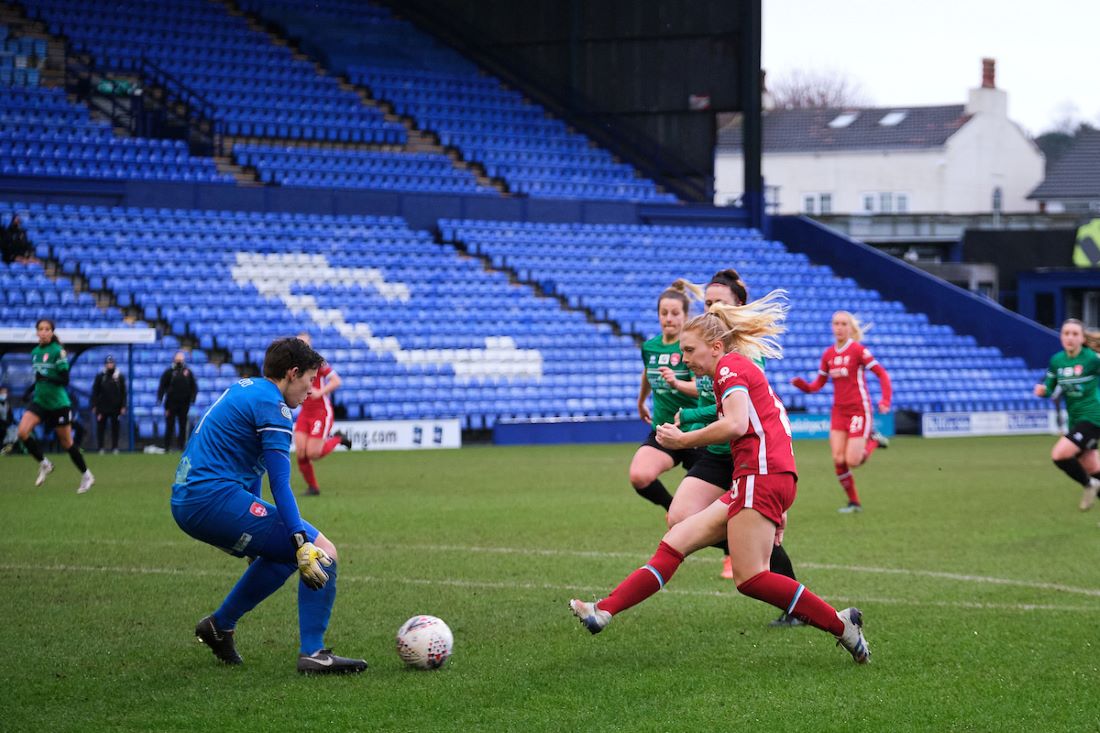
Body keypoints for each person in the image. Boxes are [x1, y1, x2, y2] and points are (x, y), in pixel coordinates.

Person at [569, 292, 869, 664]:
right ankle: (604, 611)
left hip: (761, 477)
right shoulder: (731, 371)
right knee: (675, 540)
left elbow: (737, 424)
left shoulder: (730, 368)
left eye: (690, 351)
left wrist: (683, 439)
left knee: (750, 578)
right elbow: (763, 423)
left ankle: (843, 627)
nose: (685, 359)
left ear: (714, 346)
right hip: (761, 478)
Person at [171, 336, 367, 674]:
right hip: (212, 498)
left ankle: (219, 626)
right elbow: (280, 483)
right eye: (308, 380)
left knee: (283, 558)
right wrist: (300, 540)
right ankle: (313, 654)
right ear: (292, 373)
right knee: (323, 552)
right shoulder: (274, 408)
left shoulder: (247, 389)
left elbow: (249, 470)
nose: (310, 391)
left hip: (191, 499)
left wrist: (280, 537)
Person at [662, 270, 801, 627]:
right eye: (707, 302)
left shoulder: (744, 356)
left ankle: (787, 592)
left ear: (737, 306)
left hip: (747, 456)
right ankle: (745, 543)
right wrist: (687, 400)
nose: (711, 307)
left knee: (748, 547)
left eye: (719, 302)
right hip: (719, 452)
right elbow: (714, 398)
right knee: (678, 517)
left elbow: (737, 413)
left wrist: (691, 420)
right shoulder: (707, 351)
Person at [790, 311, 892, 513]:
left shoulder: (858, 350)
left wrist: (885, 399)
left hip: (859, 410)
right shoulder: (828, 354)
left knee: (852, 461)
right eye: (836, 323)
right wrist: (802, 385)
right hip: (839, 411)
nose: (839, 327)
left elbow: (882, 374)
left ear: (850, 328)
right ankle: (854, 503)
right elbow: (816, 386)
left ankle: (873, 441)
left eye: (843, 324)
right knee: (838, 460)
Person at [628, 281, 700, 513]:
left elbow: (702, 389)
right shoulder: (650, 347)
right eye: (664, 313)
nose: (669, 318)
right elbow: (647, 374)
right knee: (640, 476)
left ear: (686, 316)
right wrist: (641, 402)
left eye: (675, 313)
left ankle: (732, 546)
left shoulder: (692, 348)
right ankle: (672, 508)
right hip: (664, 430)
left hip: (696, 432)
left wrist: (676, 383)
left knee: (712, 500)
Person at [16, 318, 95, 493]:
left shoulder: (58, 352)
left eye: (47, 329)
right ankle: (45, 464)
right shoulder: (35, 352)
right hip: (40, 402)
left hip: (59, 404)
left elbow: (64, 379)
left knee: (67, 443)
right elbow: (39, 377)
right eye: (41, 329)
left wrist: (47, 378)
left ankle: (87, 475)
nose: (43, 332)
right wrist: (29, 391)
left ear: (52, 332)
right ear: (36, 332)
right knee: (22, 432)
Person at [1034, 319, 1100, 510]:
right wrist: (1042, 391)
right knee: (1092, 467)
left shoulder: (1092, 359)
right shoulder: (1057, 361)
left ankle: (1089, 485)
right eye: (1066, 333)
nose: (1070, 337)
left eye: (1074, 334)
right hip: (1075, 420)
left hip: (1093, 417)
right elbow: (1050, 387)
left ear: (1082, 338)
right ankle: (1093, 481)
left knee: (1060, 454)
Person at [293, 332, 351, 496]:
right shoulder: (292, 364)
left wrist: (320, 392)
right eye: (299, 343)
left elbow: (336, 381)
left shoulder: (318, 362)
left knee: (313, 453)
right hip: (305, 411)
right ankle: (313, 487)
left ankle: (339, 438)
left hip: (320, 411)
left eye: (305, 343)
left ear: (310, 345)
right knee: (301, 453)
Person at [158, 351, 198, 451]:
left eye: (181, 359)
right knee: (170, 426)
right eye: (178, 359)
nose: (179, 361)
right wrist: (160, 398)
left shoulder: (188, 372)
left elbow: (194, 386)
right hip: (171, 404)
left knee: (182, 426)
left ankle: (181, 447)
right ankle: (167, 447)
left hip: (184, 404)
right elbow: (162, 386)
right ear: (174, 359)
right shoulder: (169, 372)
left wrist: (192, 399)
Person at [91, 354, 127, 454]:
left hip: (116, 407)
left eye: (111, 363)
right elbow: (95, 391)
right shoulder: (100, 376)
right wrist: (94, 405)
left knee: (115, 428)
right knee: (101, 428)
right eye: (108, 363)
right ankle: (101, 447)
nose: (110, 365)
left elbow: (124, 392)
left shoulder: (119, 377)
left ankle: (115, 447)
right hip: (102, 407)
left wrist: (123, 406)